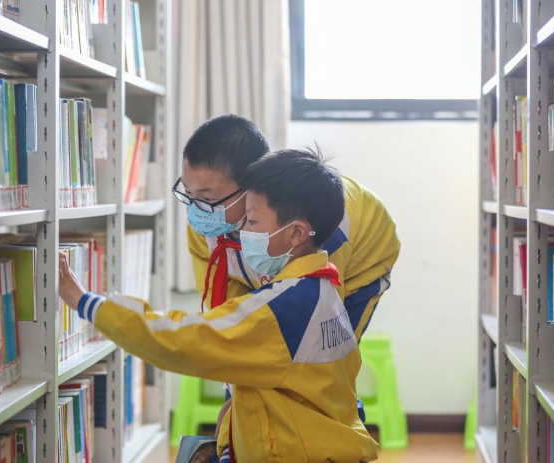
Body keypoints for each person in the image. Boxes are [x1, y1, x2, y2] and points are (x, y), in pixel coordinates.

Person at [59, 149, 379, 462]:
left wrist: (88, 303)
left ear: (295, 233)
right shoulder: (324, 289)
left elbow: (184, 339)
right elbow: (293, 391)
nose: (243, 233)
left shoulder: (284, 307)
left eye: (252, 221)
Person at [175, 114, 400, 426]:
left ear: (251, 188)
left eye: (207, 198)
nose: (194, 208)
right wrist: (234, 393)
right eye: (187, 193)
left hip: (357, 269)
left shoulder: (315, 229)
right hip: (275, 265)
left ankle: (341, 438)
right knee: (246, 368)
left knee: (323, 371)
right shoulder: (205, 224)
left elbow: (313, 322)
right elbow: (225, 315)